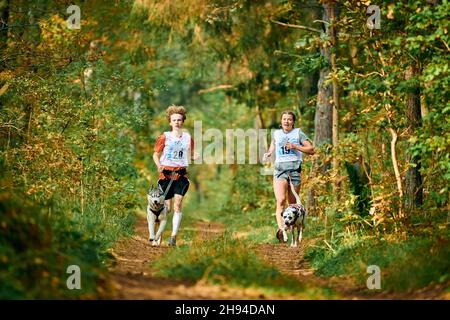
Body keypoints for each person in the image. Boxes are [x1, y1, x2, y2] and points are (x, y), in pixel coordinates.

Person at [263, 110, 315, 243]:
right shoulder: (276, 133)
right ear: (281, 122)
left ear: (293, 122)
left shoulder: (298, 133)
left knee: (292, 204)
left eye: (289, 119)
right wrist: (269, 153)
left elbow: (311, 150)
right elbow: (273, 144)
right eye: (284, 119)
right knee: (280, 200)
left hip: (294, 169)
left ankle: (293, 235)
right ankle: (282, 230)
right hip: (280, 169)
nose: (286, 121)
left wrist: (295, 146)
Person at [153, 105, 198, 246]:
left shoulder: (188, 138)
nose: (177, 122)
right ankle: (159, 234)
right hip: (166, 174)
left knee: (178, 204)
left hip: (181, 175)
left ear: (183, 121)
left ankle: (173, 236)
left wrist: (195, 156)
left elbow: (191, 154)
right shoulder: (164, 137)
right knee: (166, 208)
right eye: (174, 120)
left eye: (179, 120)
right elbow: (155, 154)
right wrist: (158, 165)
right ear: (170, 122)